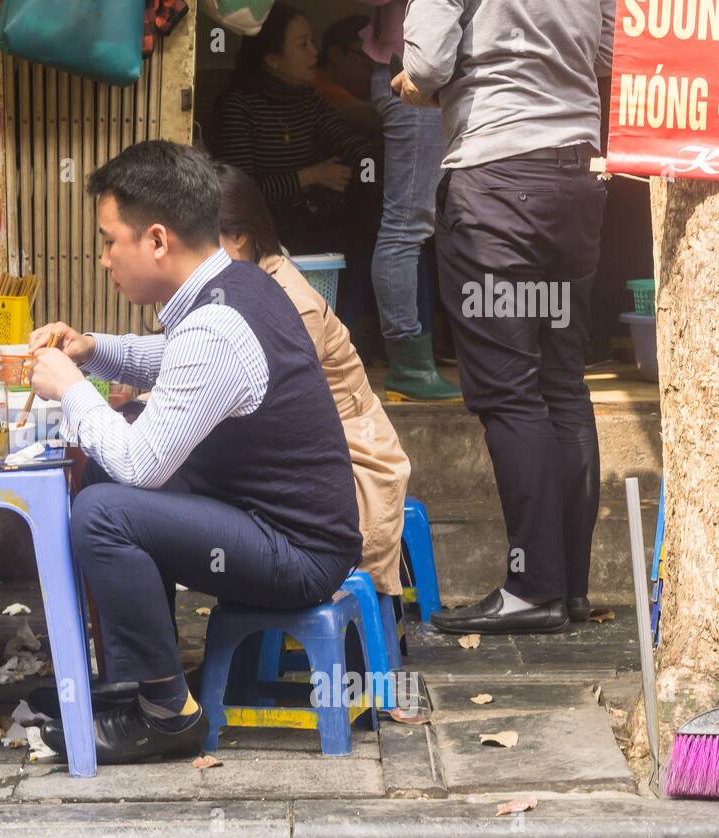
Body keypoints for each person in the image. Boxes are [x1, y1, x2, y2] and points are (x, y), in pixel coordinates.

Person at [27, 141, 362, 764]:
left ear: (157, 240)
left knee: (105, 508)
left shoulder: (215, 325)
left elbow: (142, 464)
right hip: (275, 526)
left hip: (298, 553)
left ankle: (165, 713)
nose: (103, 260)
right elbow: (176, 363)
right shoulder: (236, 286)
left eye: (109, 241)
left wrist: (71, 389)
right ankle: (136, 684)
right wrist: (92, 349)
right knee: (105, 467)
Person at [396, 0, 613, 633]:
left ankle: (531, 588)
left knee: (511, 395)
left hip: (497, 186)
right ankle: (568, 588)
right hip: (577, 180)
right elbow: (606, 56)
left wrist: (412, 86)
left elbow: (428, 64)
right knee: (563, 386)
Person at [215, 162, 410, 598]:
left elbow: (249, 394)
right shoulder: (246, 283)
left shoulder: (288, 301)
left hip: (350, 463)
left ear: (239, 237)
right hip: (300, 454)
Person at [359, 0, 461, 401]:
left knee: (420, 224)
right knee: (407, 224)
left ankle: (418, 358)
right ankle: (408, 364)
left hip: (429, 76)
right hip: (411, 75)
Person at [214, 2, 372, 256]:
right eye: (303, 44)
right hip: (255, 235)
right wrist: (312, 176)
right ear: (272, 58)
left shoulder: (307, 98)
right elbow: (241, 192)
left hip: (306, 223)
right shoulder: (239, 105)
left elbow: (348, 141)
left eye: (312, 42)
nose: (315, 53)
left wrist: (372, 164)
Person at [313, 15, 381, 137]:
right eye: (367, 58)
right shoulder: (316, 87)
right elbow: (375, 117)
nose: (372, 68)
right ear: (336, 54)